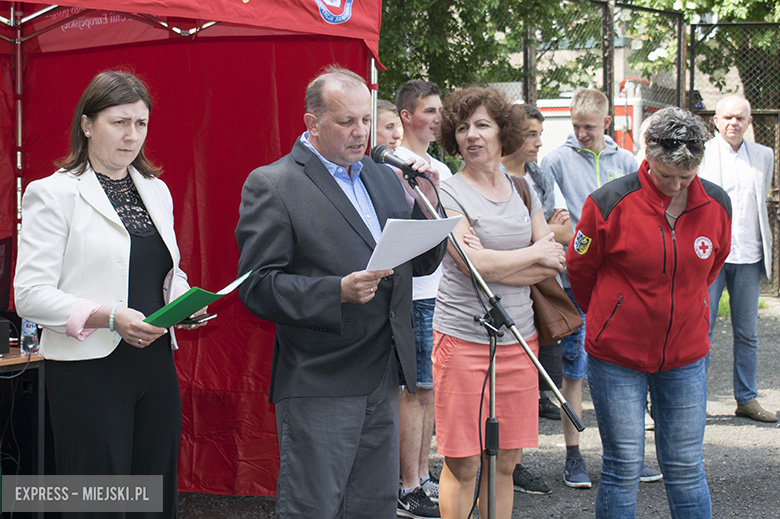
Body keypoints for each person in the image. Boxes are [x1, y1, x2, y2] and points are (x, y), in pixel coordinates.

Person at [235, 66, 446, 519]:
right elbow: (256, 286)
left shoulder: (383, 175)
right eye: (347, 122)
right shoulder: (274, 183)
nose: (361, 132)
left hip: (384, 375)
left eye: (366, 121)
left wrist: (430, 198)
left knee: (373, 507)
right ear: (312, 123)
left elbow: (422, 262)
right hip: (322, 378)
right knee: (315, 507)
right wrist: (337, 292)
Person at [14, 70, 208, 518]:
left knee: (153, 495)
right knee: (97, 501)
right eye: (119, 122)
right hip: (89, 371)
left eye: (140, 123)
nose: (132, 135)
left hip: (154, 365)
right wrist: (109, 314)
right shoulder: (52, 193)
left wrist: (183, 304)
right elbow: (29, 295)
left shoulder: (156, 191)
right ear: (87, 124)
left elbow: (164, 272)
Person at [566, 106, 731, 518]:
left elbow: (712, 265)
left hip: (686, 356)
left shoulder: (716, 204)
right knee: (623, 467)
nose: (675, 186)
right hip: (617, 356)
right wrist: (612, 315)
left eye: (686, 178)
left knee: (685, 467)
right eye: (665, 176)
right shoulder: (607, 203)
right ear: (647, 156)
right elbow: (580, 270)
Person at [433, 86, 566, 519]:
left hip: (520, 339)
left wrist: (500, 262)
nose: (471, 135)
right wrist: (529, 255)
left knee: (506, 460)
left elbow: (553, 263)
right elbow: (474, 265)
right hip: (463, 341)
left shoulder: (523, 189)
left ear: (501, 132)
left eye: (482, 125)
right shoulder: (447, 193)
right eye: (463, 127)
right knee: (465, 461)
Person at [541, 88, 658, 488]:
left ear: (607, 123)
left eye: (588, 127)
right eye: (575, 126)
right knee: (574, 370)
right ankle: (573, 455)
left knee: (624, 369)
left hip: (620, 288)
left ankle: (625, 455)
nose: (581, 133)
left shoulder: (627, 161)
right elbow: (549, 222)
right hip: (575, 282)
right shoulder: (554, 161)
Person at [500, 103, 571, 496]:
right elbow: (542, 236)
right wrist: (539, 235)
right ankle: (490, 465)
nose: (538, 143)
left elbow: (563, 235)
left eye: (540, 134)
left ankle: (516, 463)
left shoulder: (539, 175)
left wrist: (537, 237)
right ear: (509, 134)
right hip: (499, 297)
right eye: (530, 134)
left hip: (536, 294)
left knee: (529, 382)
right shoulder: (489, 178)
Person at [698, 94, 777, 423]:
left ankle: (746, 398)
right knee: (702, 330)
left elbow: (761, 203)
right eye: (727, 117)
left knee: (748, 332)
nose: (733, 123)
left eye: (740, 118)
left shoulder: (764, 155)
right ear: (715, 121)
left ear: (749, 122)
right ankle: (694, 400)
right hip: (710, 256)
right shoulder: (702, 154)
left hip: (749, 255)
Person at [393, 79, 450, 519]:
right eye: (428, 111)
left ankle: (424, 473)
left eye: (439, 110)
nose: (437, 119)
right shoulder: (394, 167)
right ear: (406, 117)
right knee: (414, 390)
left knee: (429, 390)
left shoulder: (440, 169)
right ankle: (406, 485)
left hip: (439, 290)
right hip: (412, 293)